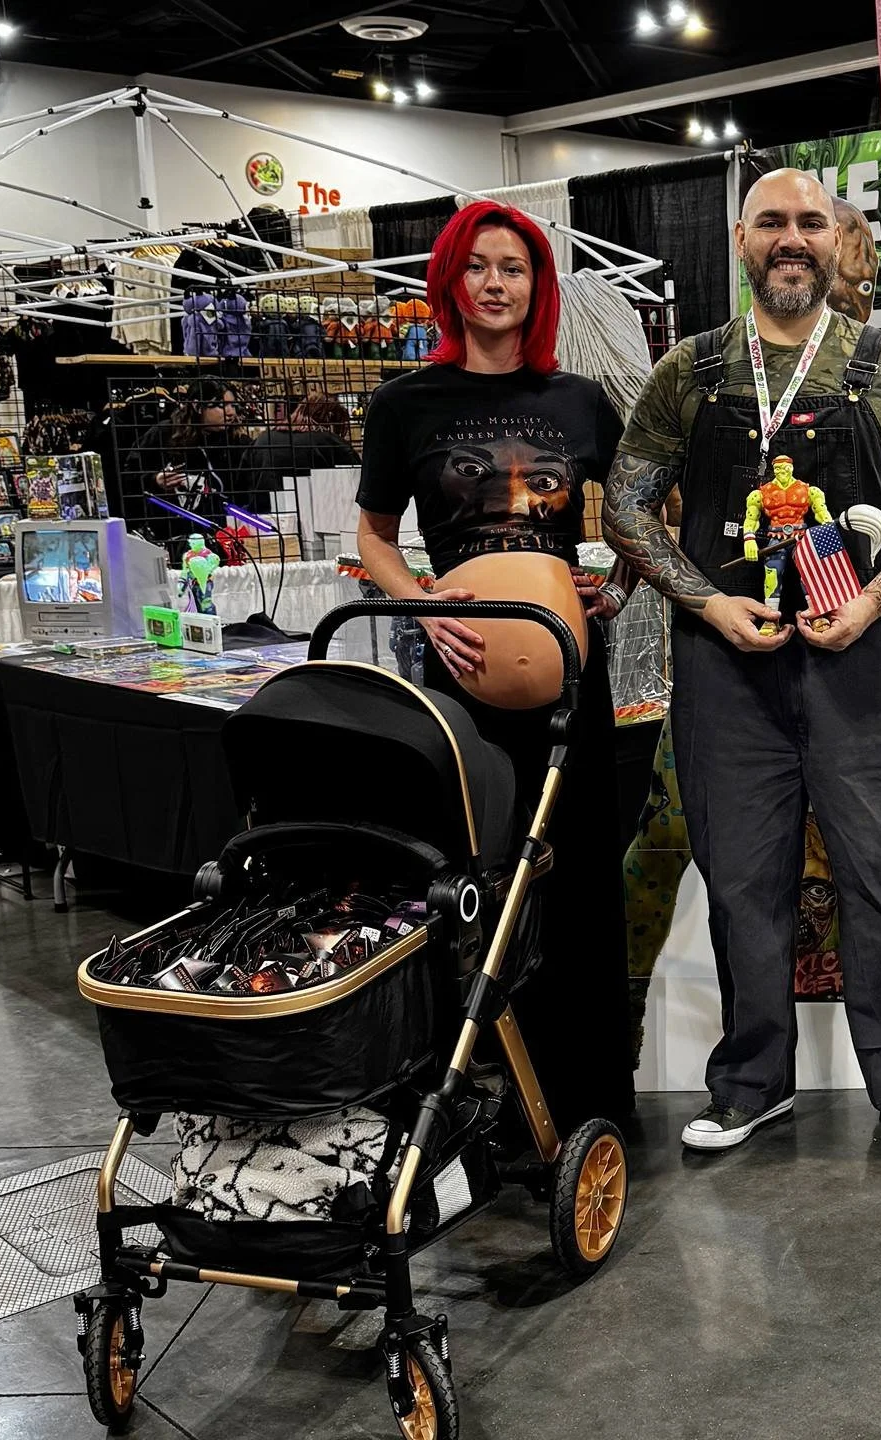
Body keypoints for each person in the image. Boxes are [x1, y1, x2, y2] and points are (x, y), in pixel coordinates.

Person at [603, 168, 881, 1158]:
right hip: (729, 672)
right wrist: (705, 601)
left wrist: (875, 598)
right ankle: (751, 1084)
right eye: (771, 220)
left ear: (834, 239)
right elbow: (625, 506)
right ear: (740, 240)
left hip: (866, 663)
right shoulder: (691, 372)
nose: (790, 237)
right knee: (744, 882)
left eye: (809, 221)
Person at [355, 199, 633, 1134]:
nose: (495, 284)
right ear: (450, 281)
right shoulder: (404, 404)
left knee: (582, 879)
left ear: (537, 285)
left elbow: (641, 516)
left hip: (570, 685)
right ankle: (477, 1095)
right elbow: (375, 538)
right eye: (477, 267)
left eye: (513, 268)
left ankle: (591, 1094)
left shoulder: (578, 401)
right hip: (460, 684)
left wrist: (621, 586)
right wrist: (422, 604)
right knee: (474, 880)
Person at [123, 380, 247, 504]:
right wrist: (155, 480)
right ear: (197, 406)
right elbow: (130, 475)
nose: (231, 413)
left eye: (233, 406)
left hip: (226, 520)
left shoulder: (236, 440)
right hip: (172, 519)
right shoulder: (164, 433)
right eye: (221, 405)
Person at [237, 390, 361, 510]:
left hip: (263, 519)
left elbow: (240, 488)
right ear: (330, 419)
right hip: (319, 520)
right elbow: (358, 485)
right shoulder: (331, 443)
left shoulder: (262, 440)